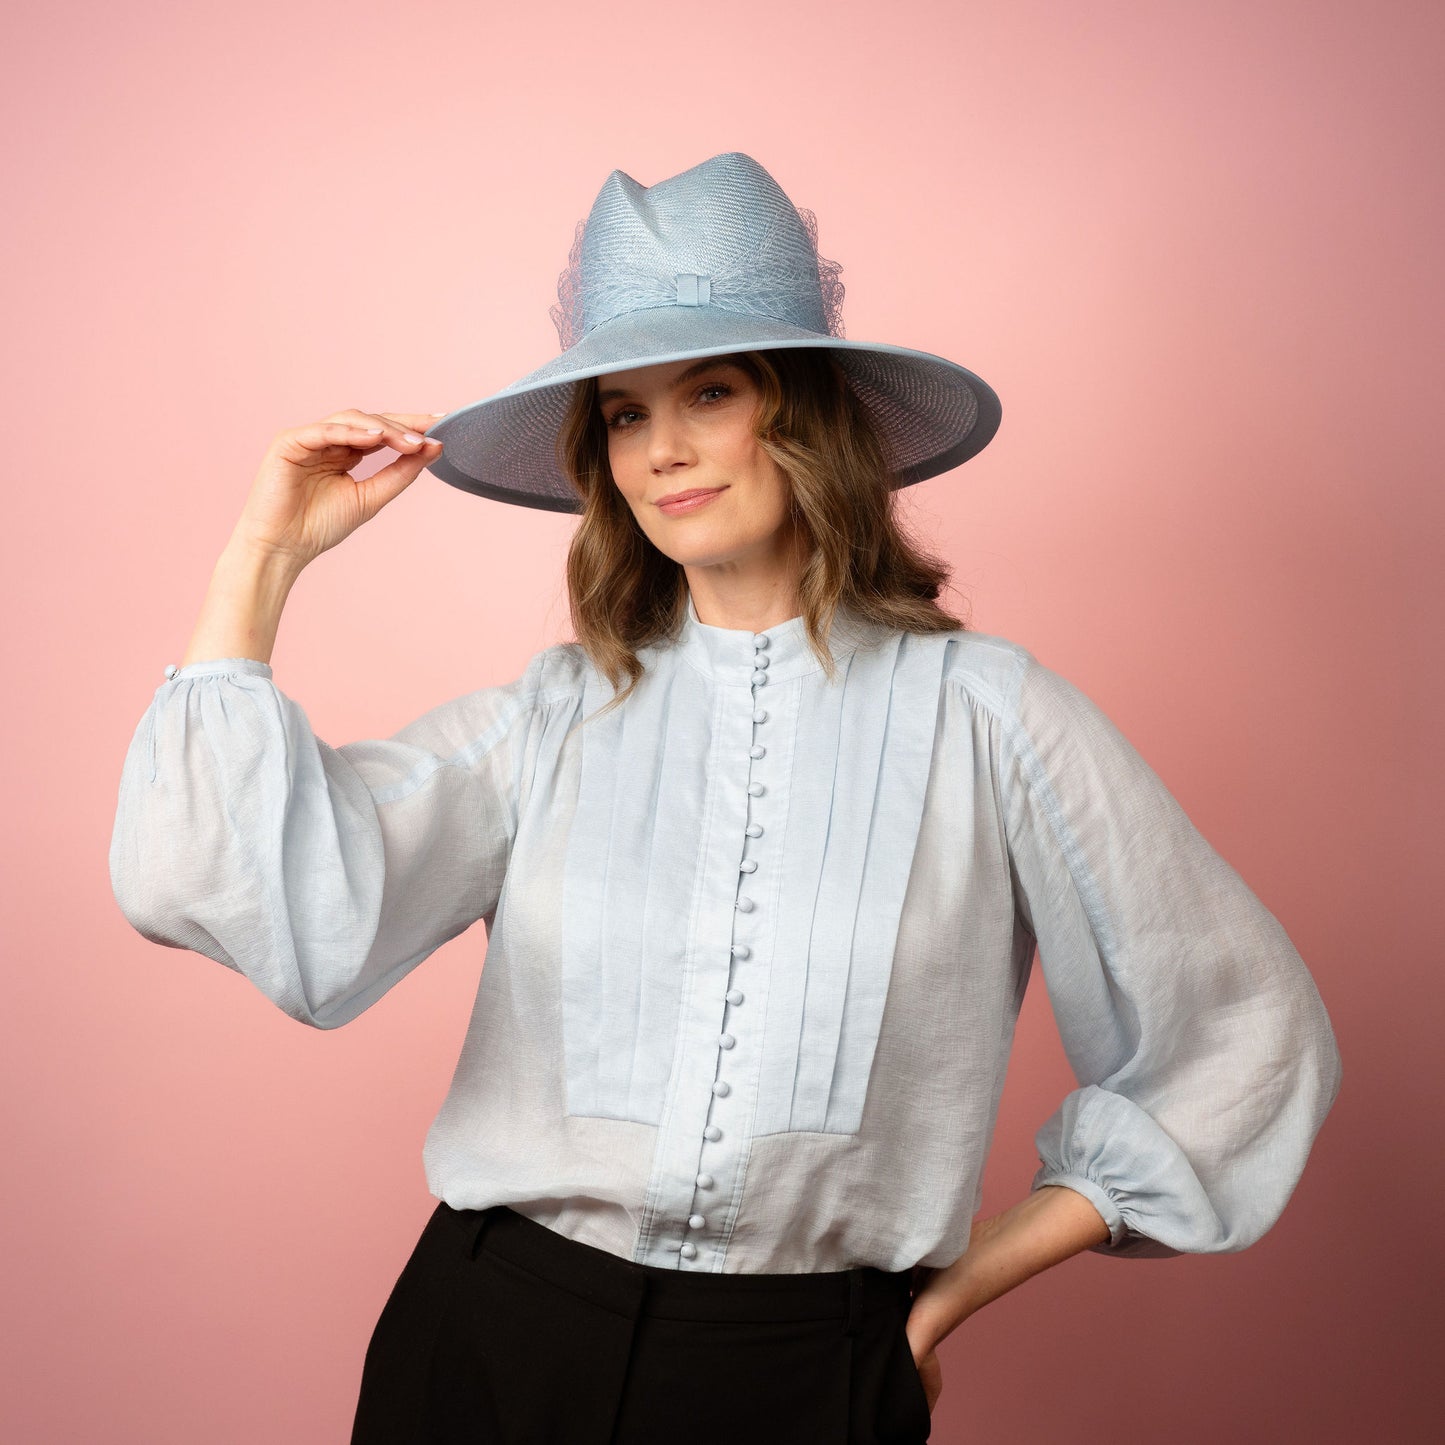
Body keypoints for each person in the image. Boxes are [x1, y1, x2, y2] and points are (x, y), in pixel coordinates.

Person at [109, 153, 1343, 1444]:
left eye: (711, 390)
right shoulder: (547, 719)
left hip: (804, 1376)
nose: (666, 449)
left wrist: (953, 1292)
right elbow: (219, 881)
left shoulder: (994, 715)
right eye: (626, 412)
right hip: (489, 1343)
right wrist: (261, 559)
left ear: (805, 413)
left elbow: (1243, 1035)